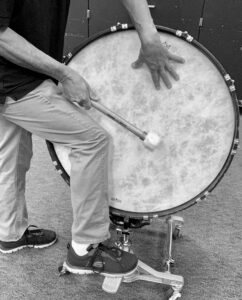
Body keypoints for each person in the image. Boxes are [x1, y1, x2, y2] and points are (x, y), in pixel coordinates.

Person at [0, 0, 184, 277]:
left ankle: (10, 232)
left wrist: (149, 36)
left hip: (20, 74)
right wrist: (63, 73)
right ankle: (85, 250)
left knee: (12, 151)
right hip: (11, 78)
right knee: (92, 139)